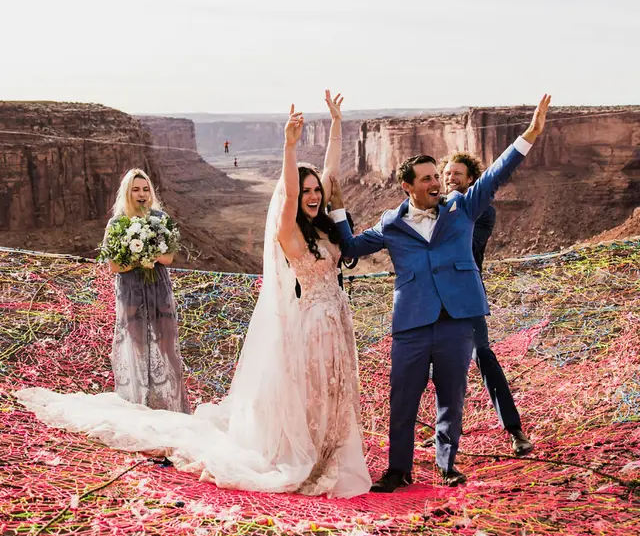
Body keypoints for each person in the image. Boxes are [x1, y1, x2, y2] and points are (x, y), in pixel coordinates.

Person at [15, 92, 370, 498]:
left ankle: (329, 452)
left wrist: (337, 124)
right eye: (306, 190)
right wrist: (289, 146)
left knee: (334, 392)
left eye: (315, 191)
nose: (312, 195)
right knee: (313, 392)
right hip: (311, 326)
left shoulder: (322, 225)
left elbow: (331, 176)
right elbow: (289, 196)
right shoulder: (289, 234)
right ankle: (308, 456)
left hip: (336, 323)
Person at [330, 95, 551, 491]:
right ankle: (398, 470)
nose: (438, 183)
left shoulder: (463, 208)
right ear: (407, 186)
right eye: (428, 178)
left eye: (438, 176)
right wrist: (335, 209)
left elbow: (496, 174)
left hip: (457, 318)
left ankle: (447, 464)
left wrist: (529, 136)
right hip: (412, 320)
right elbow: (351, 248)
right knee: (403, 398)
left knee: (452, 395)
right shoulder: (391, 224)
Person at [440, 153, 533, 456]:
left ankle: (515, 430)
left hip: (466, 297)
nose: (450, 178)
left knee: (483, 355)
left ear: (470, 180)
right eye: (447, 173)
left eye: (457, 174)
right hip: (435, 298)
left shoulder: (483, 213)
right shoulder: (431, 212)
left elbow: (469, 247)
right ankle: (445, 430)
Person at [106, 169, 189, 413]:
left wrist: (150, 256)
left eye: (145, 189)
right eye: (136, 189)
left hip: (158, 288)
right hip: (131, 290)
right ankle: (139, 404)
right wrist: (138, 259)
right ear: (127, 193)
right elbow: (113, 265)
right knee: (137, 347)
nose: (141, 194)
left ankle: (174, 403)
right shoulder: (117, 223)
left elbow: (169, 257)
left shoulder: (161, 218)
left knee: (166, 345)